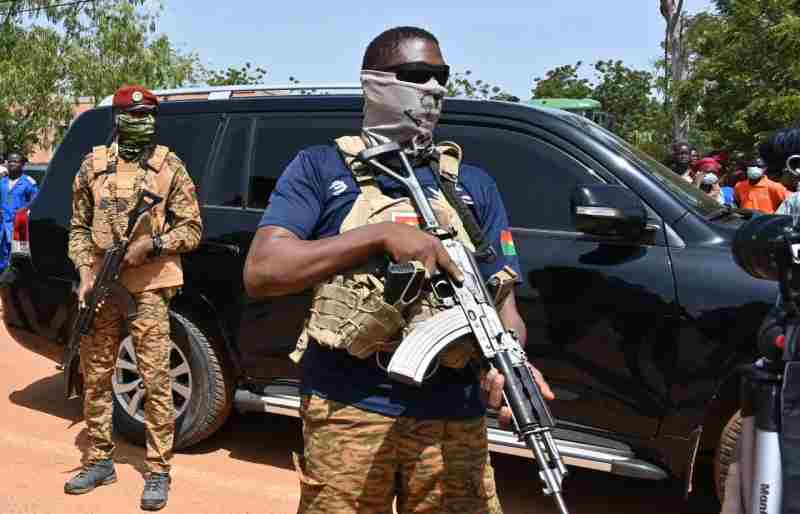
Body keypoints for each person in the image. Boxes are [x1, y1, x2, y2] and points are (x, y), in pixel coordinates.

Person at [243, 26, 553, 514]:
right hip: (349, 409)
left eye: (441, 77)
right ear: (374, 83)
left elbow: (505, 305)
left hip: (454, 416)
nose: (433, 89)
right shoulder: (322, 169)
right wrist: (378, 237)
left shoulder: (471, 185)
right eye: (416, 76)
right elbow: (263, 270)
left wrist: (509, 362)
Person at [64, 85, 202, 511]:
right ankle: (100, 460)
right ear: (118, 121)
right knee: (96, 373)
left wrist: (153, 246)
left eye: (147, 117)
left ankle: (158, 469)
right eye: (132, 116)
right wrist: (87, 272)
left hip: (148, 287)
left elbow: (193, 229)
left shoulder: (169, 166)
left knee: (156, 379)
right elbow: (78, 228)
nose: (141, 123)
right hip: (102, 286)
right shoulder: (93, 165)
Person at [0, 152, 38, 272]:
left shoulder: (29, 183)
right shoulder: (2, 182)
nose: (12, 164)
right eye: (10, 161)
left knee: (18, 264)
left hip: (19, 230)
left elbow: (35, 203)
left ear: (22, 165)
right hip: (2, 228)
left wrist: (25, 213)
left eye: (15, 162)